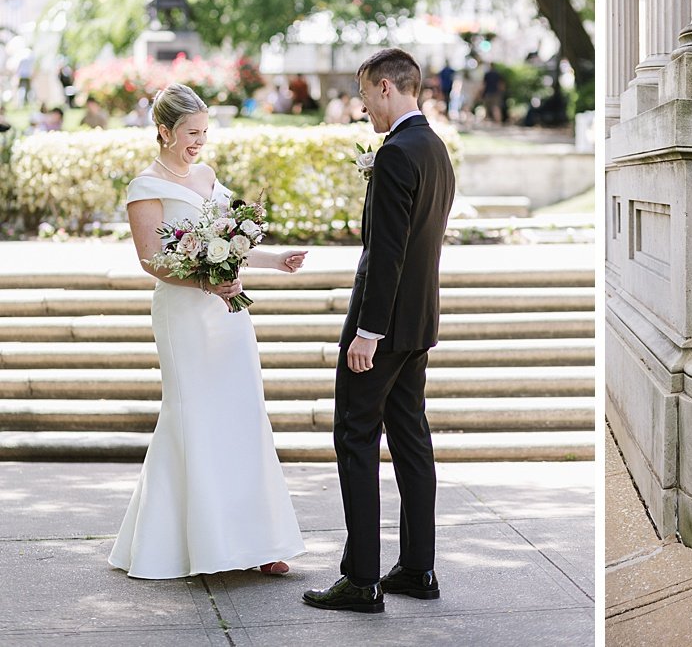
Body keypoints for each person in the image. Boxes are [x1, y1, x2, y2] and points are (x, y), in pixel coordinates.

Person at [110, 83, 309, 579]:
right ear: (163, 131)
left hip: (229, 316)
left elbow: (229, 241)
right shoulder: (145, 187)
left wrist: (272, 259)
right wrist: (206, 282)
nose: (199, 141)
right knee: (193, 416)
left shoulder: (207, 175)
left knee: (243, 415)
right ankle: (197, 545)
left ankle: (262, 541)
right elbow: (152, 260)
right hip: (185, 316)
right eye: (191, 133)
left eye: (204, 132)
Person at [303, 48, 455, 614]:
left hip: (384, 327)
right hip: (419, 324)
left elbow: (387, 252)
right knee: (412, 439)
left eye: (365, 93)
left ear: (388, 88)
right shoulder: (435, 147)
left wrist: (367, 332)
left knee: (355, 439)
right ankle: (418, 568)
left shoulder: (395, 153)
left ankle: (361, 578)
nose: (361, 104)